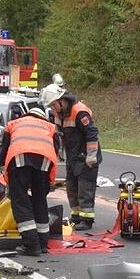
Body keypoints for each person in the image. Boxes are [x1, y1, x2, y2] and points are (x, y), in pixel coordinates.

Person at [0, 106, 60, 255]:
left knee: (20, 200)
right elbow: (55, 150)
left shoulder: (14, 124)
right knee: (40, 199)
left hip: (19, 157)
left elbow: (4, 149)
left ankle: (31, 245)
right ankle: (42, 243)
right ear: (43, 117)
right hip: (45, 160)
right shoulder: (50, 127)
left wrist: (4, 172)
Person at [41, 83, 100, 230]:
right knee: (71, 187)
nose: (52, 108)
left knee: (85, 188)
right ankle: (76, 216)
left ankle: (87, 219)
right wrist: (60, 151)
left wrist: (91, 155)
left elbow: (92, 133)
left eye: (53, 105)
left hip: (86, 156)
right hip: (72, 155)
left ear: (62, 100)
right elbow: (60, 134)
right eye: (51, 106)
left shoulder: (79, 112)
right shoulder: (58, 113)